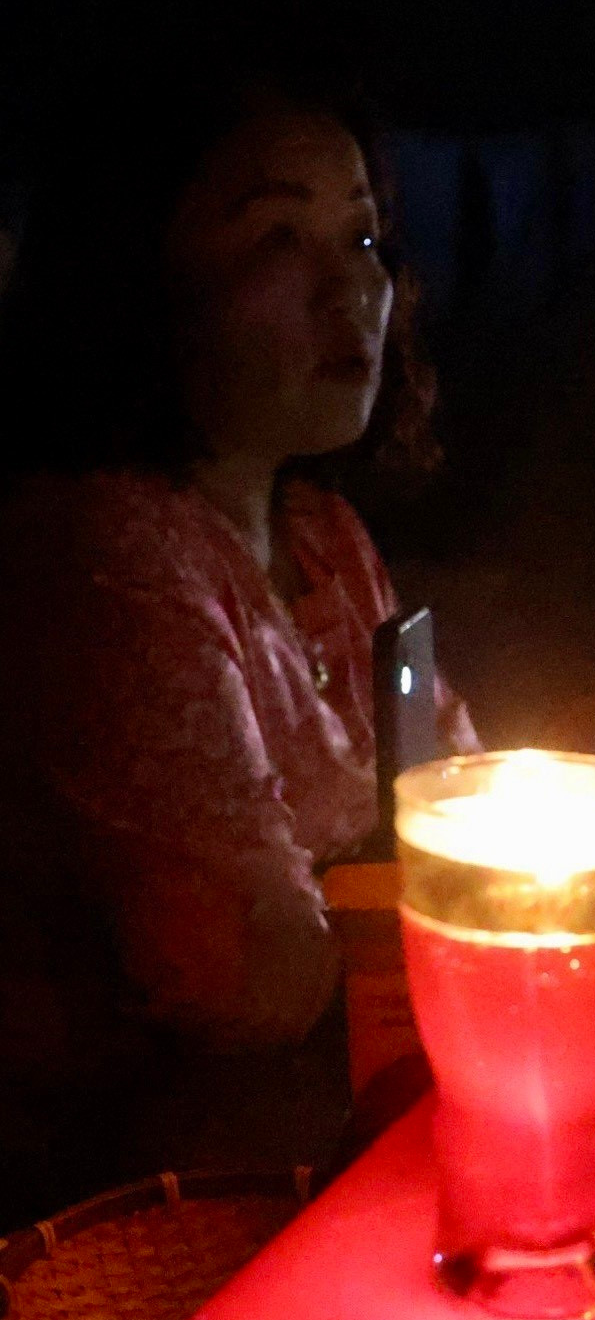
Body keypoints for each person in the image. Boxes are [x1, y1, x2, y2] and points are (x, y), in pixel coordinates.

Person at [0, 64, 477, 1226]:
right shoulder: (106, 547)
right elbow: (249, 979)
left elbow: (467, 792)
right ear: (138, 281)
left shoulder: (319, 531)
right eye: (276, 238)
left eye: (361, 236)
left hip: (353, 1145)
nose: (350, 286)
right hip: (144, 1221)